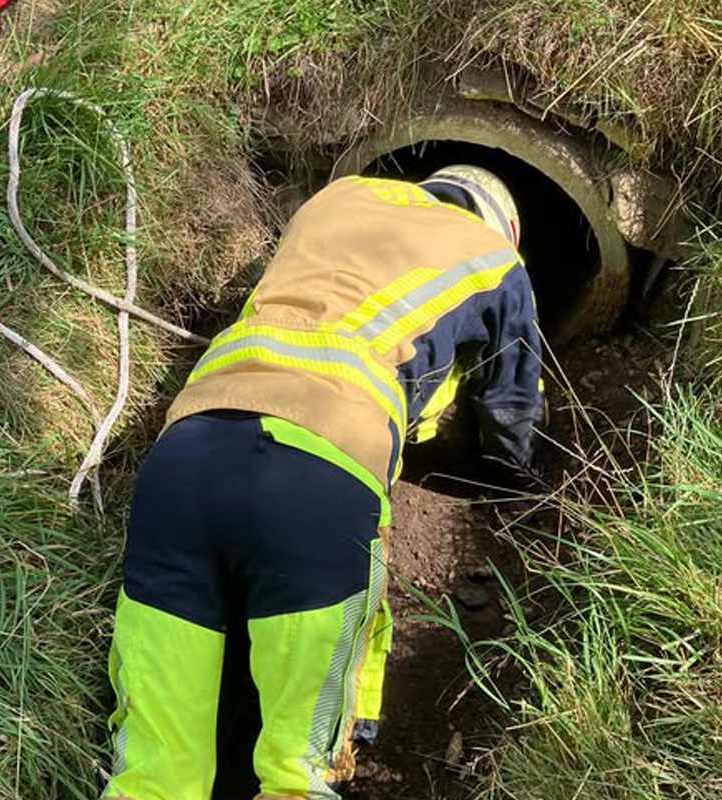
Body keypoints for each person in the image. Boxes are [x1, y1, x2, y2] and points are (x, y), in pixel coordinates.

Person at [102, 165, 544, 800]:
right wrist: (518, 481)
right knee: (293, 776)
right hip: (322, 469)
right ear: (505, 226)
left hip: (186, 454)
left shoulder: (340, 197)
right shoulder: (497, 259)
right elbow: (512, 408)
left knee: (152, 779)